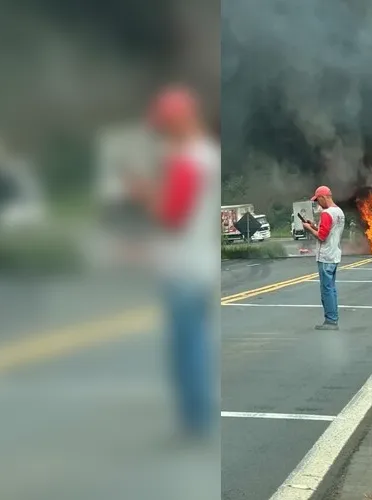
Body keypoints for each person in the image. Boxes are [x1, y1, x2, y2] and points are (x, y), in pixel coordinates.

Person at [129, 84, 219, 440]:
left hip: (183, 268)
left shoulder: (188, 161)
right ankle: (196, 416)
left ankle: (193, 420)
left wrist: (143, 194)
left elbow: (172, 216)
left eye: (165, 126)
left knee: (187, 347)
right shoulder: (206, 155)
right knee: (194, 341)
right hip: (198, 264)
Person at [302, 185, 345, 330]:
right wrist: (314, 225)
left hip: (325, 256)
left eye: (318, 200)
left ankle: (331, 320)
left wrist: (308, 229)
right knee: (331, 288)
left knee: (326, 289)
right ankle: (333, 318)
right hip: (334, 254)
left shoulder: (326, 213)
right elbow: (328, 231)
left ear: (323, 197)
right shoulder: (339, 212)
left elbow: (321, 236)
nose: (318, 203)